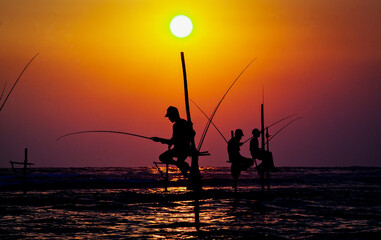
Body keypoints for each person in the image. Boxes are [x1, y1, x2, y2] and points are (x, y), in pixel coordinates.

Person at [151, 106, 195, 179]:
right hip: (183, 149)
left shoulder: (177, 125)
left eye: (169, 116)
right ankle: (186, 173)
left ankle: (185, 169)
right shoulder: (183, 122)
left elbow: (175, 140)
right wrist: (160, 140)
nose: (169, 118)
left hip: (181, 149)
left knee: (162, 157)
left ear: (173, 115)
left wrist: (159, 140)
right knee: (180, 162)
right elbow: (175, 140)